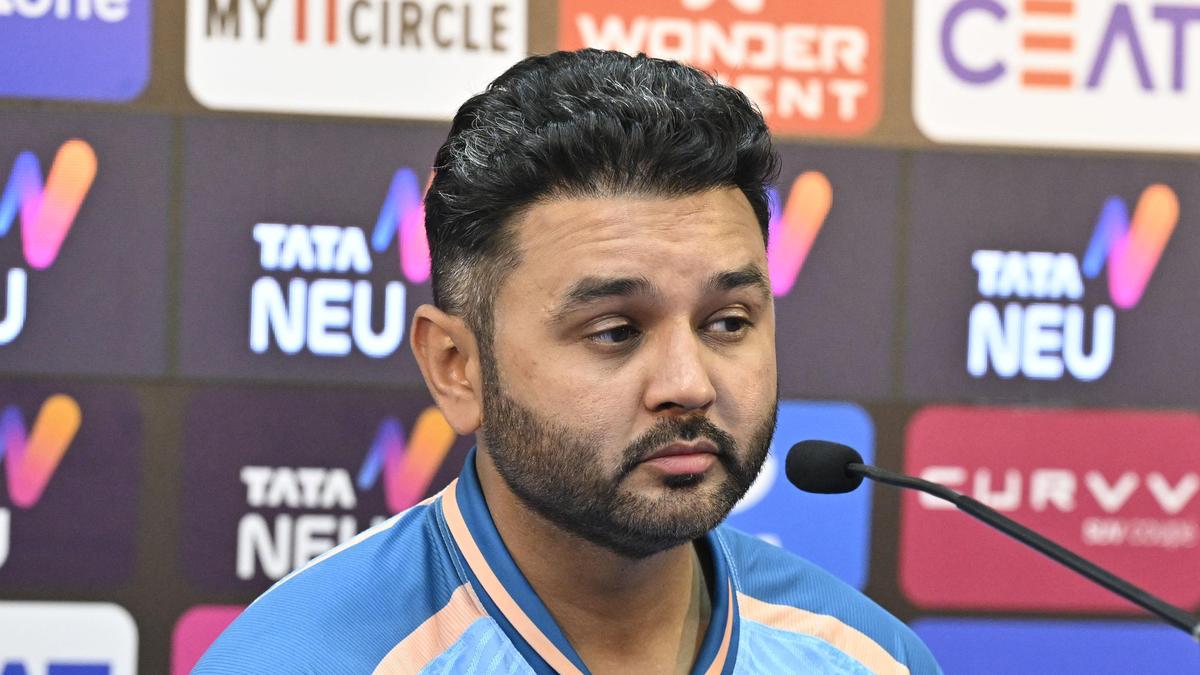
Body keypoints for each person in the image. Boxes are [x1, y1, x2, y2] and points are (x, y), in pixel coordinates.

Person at [196, 49, 941, 674]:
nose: (688, 384)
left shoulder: (869, 658)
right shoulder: (297, 659)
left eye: (728, 322)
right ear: (457, 367)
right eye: (615, 331)